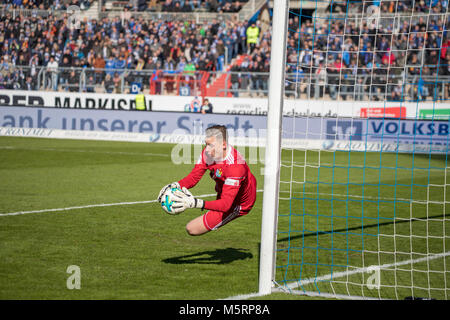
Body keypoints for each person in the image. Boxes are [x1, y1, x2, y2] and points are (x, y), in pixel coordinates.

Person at [157, 125, 257, 236]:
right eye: (206, 144)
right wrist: (175, 185)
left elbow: (226, 205)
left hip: (238, 203)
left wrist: (196, 203)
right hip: (225, 190)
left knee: (192, 229)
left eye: (211, 145)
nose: (207, 150)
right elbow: (193, 178)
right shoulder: (208, 153)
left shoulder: (235, 167)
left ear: (223, 145)